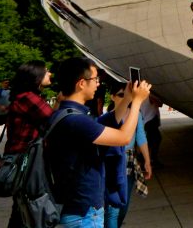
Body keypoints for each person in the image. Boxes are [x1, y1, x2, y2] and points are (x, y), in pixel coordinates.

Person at [46, 57, 151, 227]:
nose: (98, 84)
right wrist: (137, 102)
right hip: (84, 212)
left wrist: (127, 99)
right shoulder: (75, 121)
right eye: (95, 79)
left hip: (78, 208)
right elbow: (123, 137)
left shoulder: (67, 114)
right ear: (81, 83)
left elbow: (106, 123)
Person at [4, 62, 54, 228]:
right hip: (26, 160)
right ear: (36, 76)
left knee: (21, 207)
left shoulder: (24, 96)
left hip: (21, 157)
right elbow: (52, 119)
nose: (50, 74)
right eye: (46, 71)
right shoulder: (28, 98)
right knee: (28, 203)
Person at [105, 88, 153, 228]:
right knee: (113, 209)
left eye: (129, 95)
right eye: (121, 95)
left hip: (129, 161)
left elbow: (141, 137)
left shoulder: (135, 114)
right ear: (112, 97)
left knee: (123, 205)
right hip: (113, 162)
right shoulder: (108, 117)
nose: (126, 98)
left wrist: (147, 161)